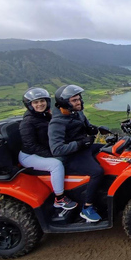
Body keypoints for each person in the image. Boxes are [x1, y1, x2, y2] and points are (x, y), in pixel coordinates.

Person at [48, 84, 104, 222]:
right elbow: (56, 150)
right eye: (74, 100)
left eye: (78, 98)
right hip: (71, 156)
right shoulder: (57, 123)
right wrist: (79, 144)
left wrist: (94, 130)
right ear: (64, 103)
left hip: (83, 149)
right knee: (97, 171)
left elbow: (86, 126)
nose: (78, 102)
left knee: (108, 151)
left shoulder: (77, 113)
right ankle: (87, 207)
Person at [18, 87, 78, 210]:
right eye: (35, 102)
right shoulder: (28, 122)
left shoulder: (46, 115)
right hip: (29, 155)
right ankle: (60, 198)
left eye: (42, 101)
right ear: (29, 105)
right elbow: (31, 146)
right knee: (56, 164)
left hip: (44, 150)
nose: (40, 104)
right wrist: (53, 154)